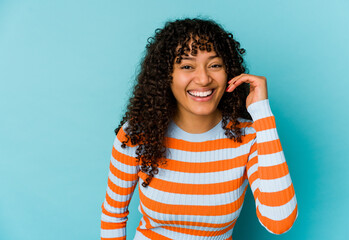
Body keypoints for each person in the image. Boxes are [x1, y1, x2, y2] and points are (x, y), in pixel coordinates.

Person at [100, 18, 298, 240]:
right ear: (166, 76)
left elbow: (280, 221)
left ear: (229, 72)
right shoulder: (138, 133)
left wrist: (262, 113)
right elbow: (113, 215)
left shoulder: (249, 137)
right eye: (187, 66)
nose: (203, 79)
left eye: (215, 65)